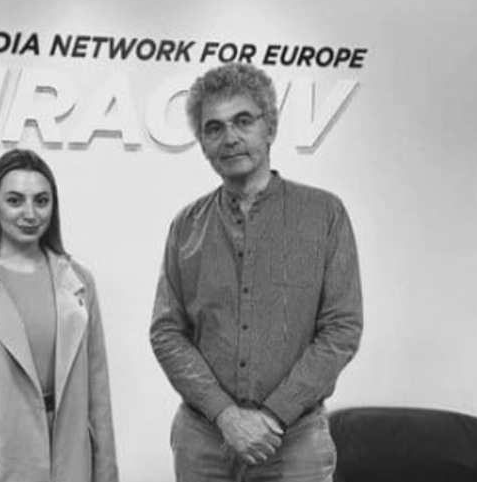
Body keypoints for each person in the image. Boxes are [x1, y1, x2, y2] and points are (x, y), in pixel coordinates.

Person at [149, 63, 363, 482]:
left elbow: (341, 329)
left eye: (243, 121)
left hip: (294, 442)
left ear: (270, 128)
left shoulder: (324, 214)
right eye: (214, 128)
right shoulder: (186, 226)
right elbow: (167, 331)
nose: (230, 137)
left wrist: (273, 415)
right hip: (203, 440)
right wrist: (226, 415)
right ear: (203, 143)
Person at [0, 148, 118, 482]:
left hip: (70, 462)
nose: (30, 213)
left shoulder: (79, 281)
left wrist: (106, 474)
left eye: (41, 201)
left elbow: (98, 397)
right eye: (15, 200)